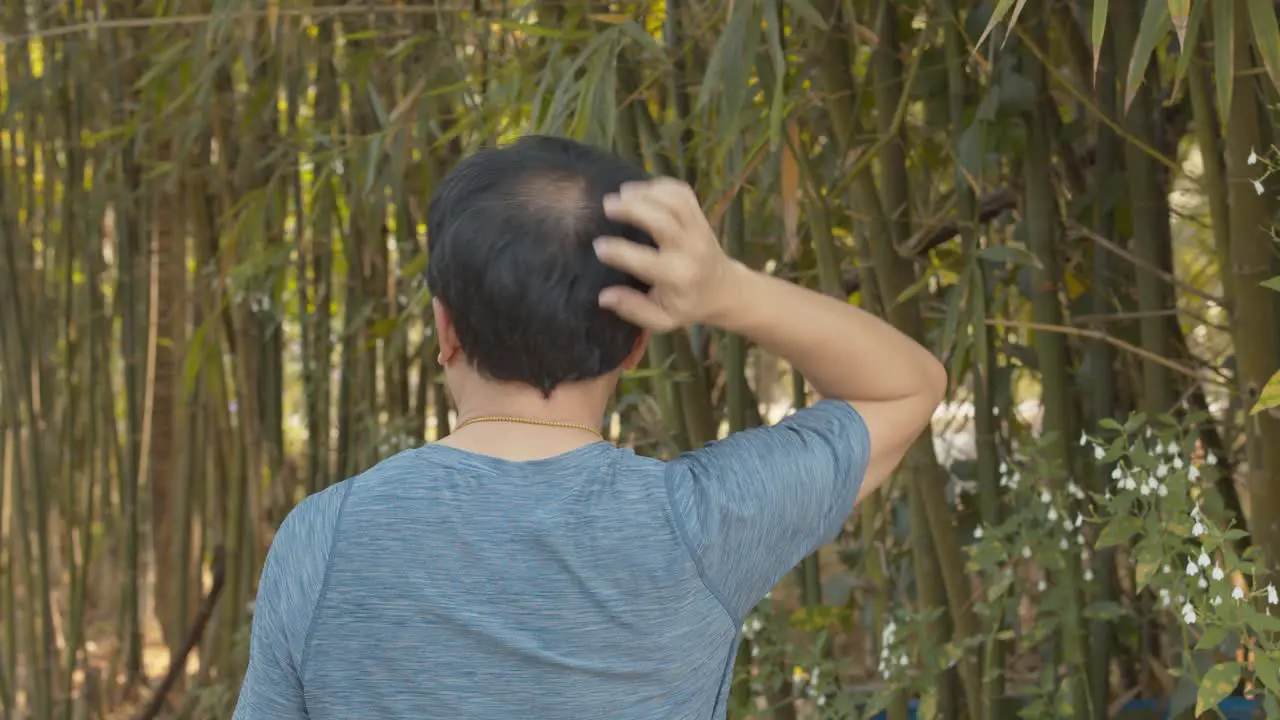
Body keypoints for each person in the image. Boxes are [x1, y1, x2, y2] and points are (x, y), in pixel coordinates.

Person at [232, 135, 945, 719]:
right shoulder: (704, 525)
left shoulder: (324, 537)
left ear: (445, 328)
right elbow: (909, 386)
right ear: (636, 342)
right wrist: (727, 290)